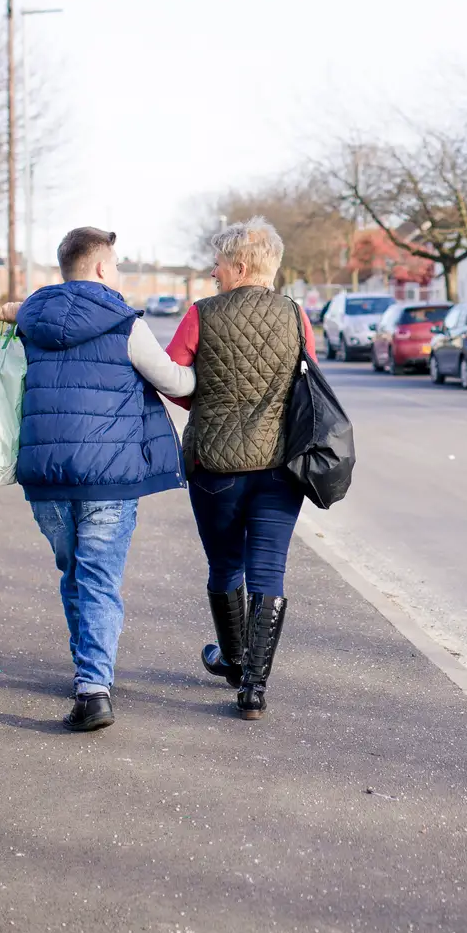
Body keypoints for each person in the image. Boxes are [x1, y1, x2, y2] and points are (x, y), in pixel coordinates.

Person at [3, 228, 196, 732]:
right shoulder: (124, 323)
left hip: (44, 476)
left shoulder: (30, 318)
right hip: (107, 479)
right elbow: (175, 382)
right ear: (101, 269)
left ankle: (89, 671)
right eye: (116, 265)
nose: (120, 274)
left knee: (74, 573)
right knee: (99, 578)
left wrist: (11, 310)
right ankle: (93, 686)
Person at [165, 216, 316, 720]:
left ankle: (232, 659)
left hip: (216, 465)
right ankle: (252, 690)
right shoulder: (296, 316)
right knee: (269, 568)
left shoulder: (202, 314)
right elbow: (308, 386)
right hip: (280, 466)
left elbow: (173, 379)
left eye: (218, 264)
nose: (213, 273)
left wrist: (206, 407)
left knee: (225, 564)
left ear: (240, 264)